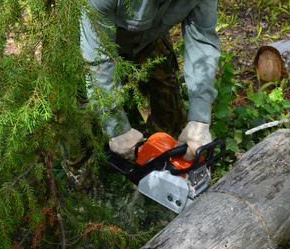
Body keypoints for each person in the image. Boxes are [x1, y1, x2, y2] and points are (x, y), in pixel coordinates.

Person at [80, 0, 220, 161]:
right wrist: (116, 126)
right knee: (78, 127)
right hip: (84, 44)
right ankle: (83, 182)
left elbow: (202, 40)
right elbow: (97, 58)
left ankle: (167, 169)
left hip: (149, 37)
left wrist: (199, 119)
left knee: (169, 112)